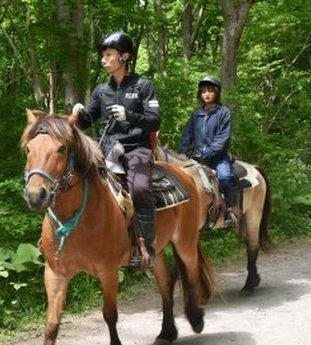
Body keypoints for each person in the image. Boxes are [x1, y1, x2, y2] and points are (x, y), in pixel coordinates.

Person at [73, 31, 160, 267]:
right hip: (108, 150)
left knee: (140, 189)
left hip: (137, 150)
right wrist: (77, 115)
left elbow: (155, 120)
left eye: (109, 54)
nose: (103, 59)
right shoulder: (101, 91)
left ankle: (147, 246)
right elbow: (87, 121)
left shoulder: (143, 86)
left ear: (124, 56)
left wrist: (128, 115)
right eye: (103, 55)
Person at [178, 76, 239, 227]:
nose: (206, 94)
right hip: (197, 157)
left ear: (217, 93)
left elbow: (222, 139)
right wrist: (182, 152)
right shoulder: (196, 114)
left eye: (210, 91)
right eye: (203, 91)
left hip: (218, 156)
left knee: (225, 176)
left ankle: (231, 211)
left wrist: (206, 153)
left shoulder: (224, 112)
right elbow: (187, 135)